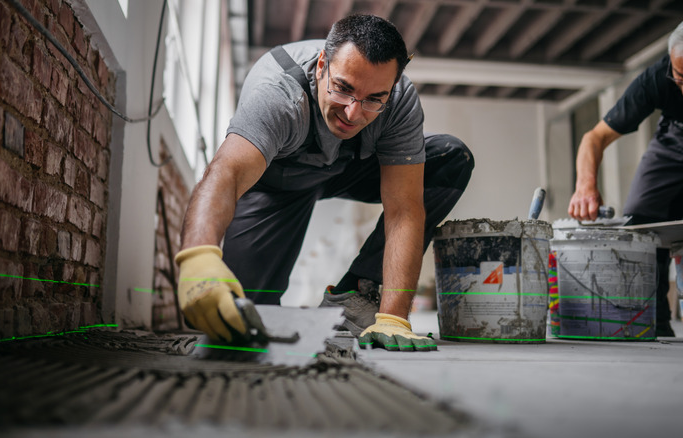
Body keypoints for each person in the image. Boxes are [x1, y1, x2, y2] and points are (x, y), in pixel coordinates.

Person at [175, 14, 473, 350]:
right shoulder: (278, 94)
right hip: (276, 186)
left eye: (374, 98)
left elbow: (404, 209)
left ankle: (356, 295)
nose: (352, 114)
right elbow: (226, 173)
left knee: (450, 158)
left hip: (347, 170)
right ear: (321, 66)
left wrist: (394, 317)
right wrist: (198, 255)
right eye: (343, 89)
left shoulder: (399, 101)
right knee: (237, 314)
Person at [568, 19, 683, 337]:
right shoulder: (654, 79)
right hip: (676, 139)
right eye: (681, 78)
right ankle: (655, 320)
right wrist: (585, 187)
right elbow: (594, 138)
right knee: (642, 224)